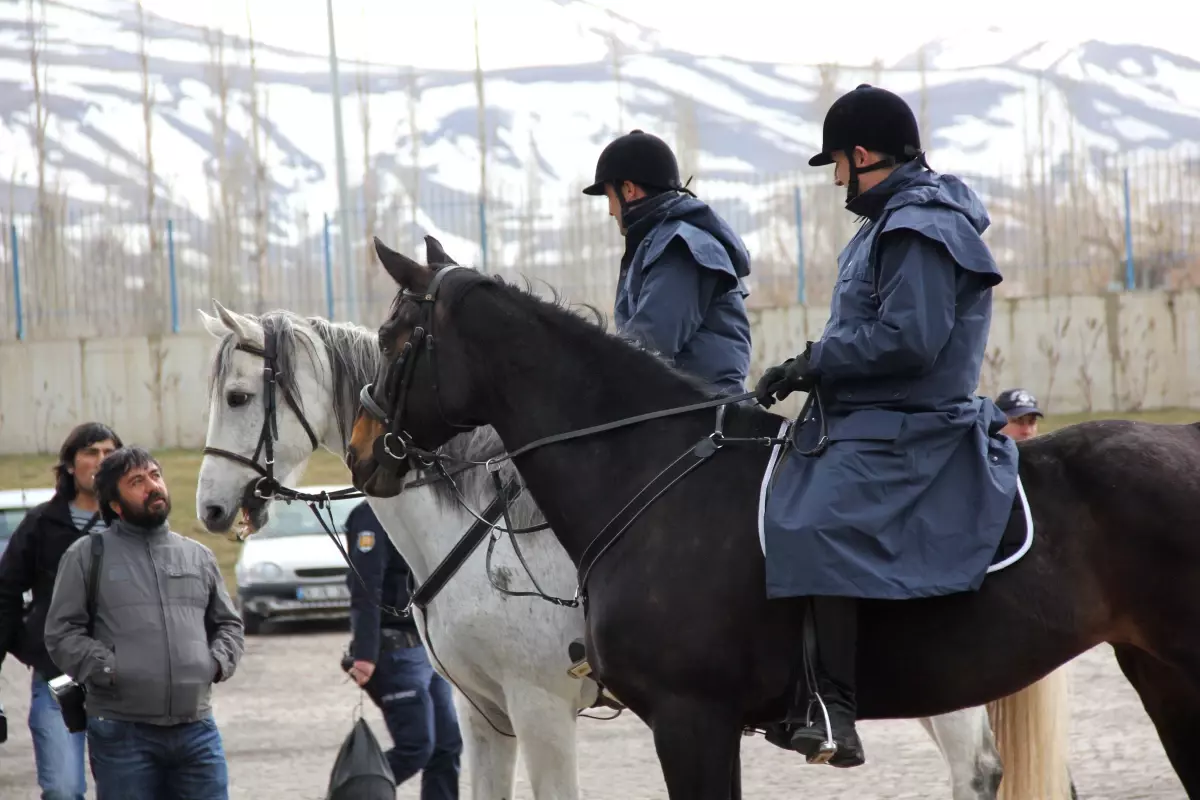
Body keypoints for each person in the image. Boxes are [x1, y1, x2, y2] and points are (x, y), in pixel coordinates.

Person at [754, 84, 1019, 768]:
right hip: (873, 413)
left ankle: (833, 708)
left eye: (838, 164)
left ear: (864, 155)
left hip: (911, 423)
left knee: (813, 522)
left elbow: (910, 339)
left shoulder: (918, 225)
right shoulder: (889, 223)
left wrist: (815, 362)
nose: (837, 179)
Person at [43, 446, 245, 799]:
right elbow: (61, 633)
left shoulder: (197, 556)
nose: (152, 486)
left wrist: (213, 664)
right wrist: (109, 669)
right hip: (122, 734)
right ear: (116, 505)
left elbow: (229, 625)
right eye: (137, 481)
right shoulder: (88, 556)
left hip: (197, 730)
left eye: (155, 475)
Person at [0, 422, 121, 800]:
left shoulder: (130, 525)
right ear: (70, 464)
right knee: (63, 790)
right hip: (57, 680)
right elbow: (5, 593)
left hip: (121, 686)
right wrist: (30, 642)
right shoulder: (40, 524)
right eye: (90, 452)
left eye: (108, 452)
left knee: (127, 790)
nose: (100, 461)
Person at [582, 128, 753, 396]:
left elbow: (649, 345)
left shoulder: (682, 247)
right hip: (680, 409)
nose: (610, 210)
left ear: (628, 190)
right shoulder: (661, 241)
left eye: (609, 197)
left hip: (703, 415)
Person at [342, 500, 461, 799]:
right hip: (394, 651)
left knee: (447, 747)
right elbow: (366, 587)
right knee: (416, 747)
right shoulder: (371, 515)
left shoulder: (418, 508)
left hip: (428, 649)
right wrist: (365, 655)